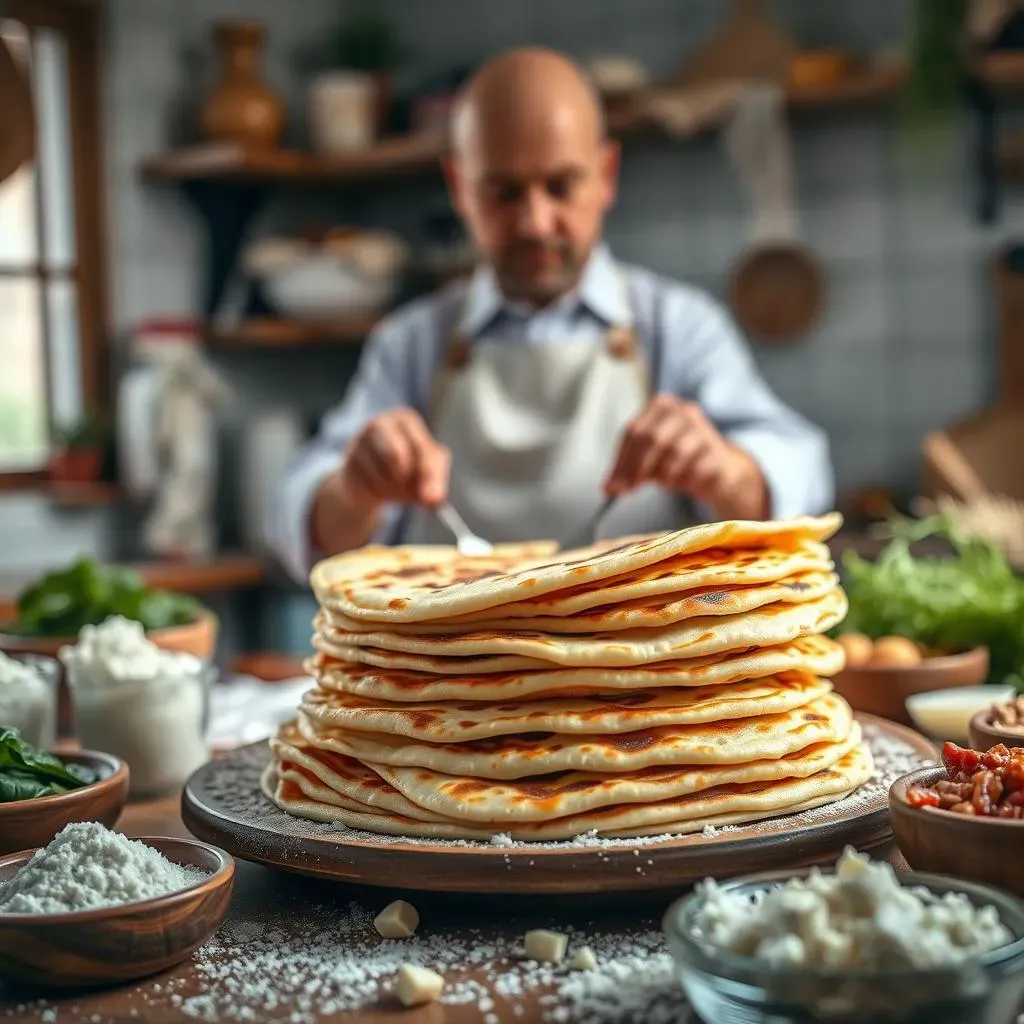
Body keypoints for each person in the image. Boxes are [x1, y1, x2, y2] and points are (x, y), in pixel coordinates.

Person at [267, 48, 832, 582]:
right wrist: (354, 489)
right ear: (460, 188)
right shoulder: (409, 343)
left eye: (560, 186)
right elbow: (309, 525)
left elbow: (801, 475)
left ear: (606, 175)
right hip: (457, 678)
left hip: (646, 675)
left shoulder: (680, 328)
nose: (536, 222)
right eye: (504, 193)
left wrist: (724, 470)